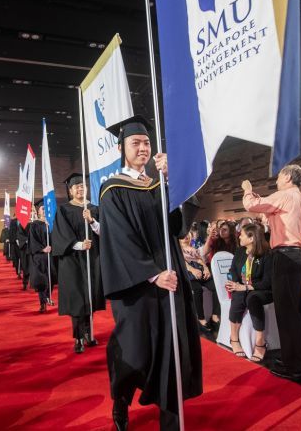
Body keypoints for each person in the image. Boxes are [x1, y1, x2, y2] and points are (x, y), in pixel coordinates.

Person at [99, 115, 202, 431]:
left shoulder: (159, 184)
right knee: (135, 349)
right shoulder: (112, 189)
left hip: (172, 276)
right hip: (138, 285)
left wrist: (173, 180)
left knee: (173, 347)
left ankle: (170, 420)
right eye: (135, 143)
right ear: (122, 148)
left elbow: (178, 227)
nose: (143, 148)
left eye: (146, 142)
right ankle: (121, 397)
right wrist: (152, 274)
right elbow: (119, 239)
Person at [242, 165, 301, 382]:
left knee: (287, 313)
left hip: (285, 257)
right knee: (298, 312)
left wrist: (247, 189)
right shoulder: (299, 199)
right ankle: (300, 359)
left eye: (280, 175)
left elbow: (251, 204)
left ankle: (295, 366)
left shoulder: (285, 195)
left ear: (289, 177)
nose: (277, 178)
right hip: (298, 256)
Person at [52, 173, 105, 354]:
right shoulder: (64, 210)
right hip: (72, 261)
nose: (80, 189)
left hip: (92, 259)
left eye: (83, 186)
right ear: (70, 190)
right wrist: (79, 245)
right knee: (77, 301)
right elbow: (60, 235)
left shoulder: (94, 209)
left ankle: (89, 333)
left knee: (90, 297)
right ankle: (78, 338)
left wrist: (91, 220)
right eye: (77, 187)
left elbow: (104, 232)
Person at [225, 223, 273, 362]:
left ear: (252, 238)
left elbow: (267, 282)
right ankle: (234, 339)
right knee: (238, 296)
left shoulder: (267, 254)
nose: (239, 236)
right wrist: (235, 283)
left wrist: (245, 287)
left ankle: (260, 342)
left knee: (253, 298)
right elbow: (233, 269)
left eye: (243, 234)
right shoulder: (240, 251)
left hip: (262, 290)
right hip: (242, 286)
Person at [180, 232, 220, 333]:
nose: (186, 236)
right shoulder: (177, 250)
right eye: (184, 235)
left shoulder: (193, 248)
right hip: (188, 275)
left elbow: (200, 260)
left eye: (188, 234)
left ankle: (214, 315)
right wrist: (192, 270)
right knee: (197, 289)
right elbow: (182, 262)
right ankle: (201, 319)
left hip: (201, 273)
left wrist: (206, 269)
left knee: (217, 287)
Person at [28, 200, 54, 313]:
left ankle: (48, 296)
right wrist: (43, 249)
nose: (45, 210)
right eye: (43, 208)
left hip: (51, 256)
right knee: (42, 281)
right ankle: (43, 303)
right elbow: (32, 241)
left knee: (51, 279)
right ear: (38, 211)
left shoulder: (51, 223)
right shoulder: (34, 225)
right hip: (40, 257)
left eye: (46, 208)